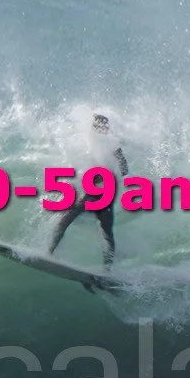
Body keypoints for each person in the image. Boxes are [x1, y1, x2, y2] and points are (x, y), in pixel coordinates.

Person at [47, 114, 129, 266]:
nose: (101, 129)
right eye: (98, 126)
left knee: (100, 230)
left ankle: (107, 270)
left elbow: (124, 169)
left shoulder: (112, 144)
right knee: (100, 230)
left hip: (103, 193)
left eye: (104, 126)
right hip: (97, 192)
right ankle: (50, 253)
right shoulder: (92, 143)